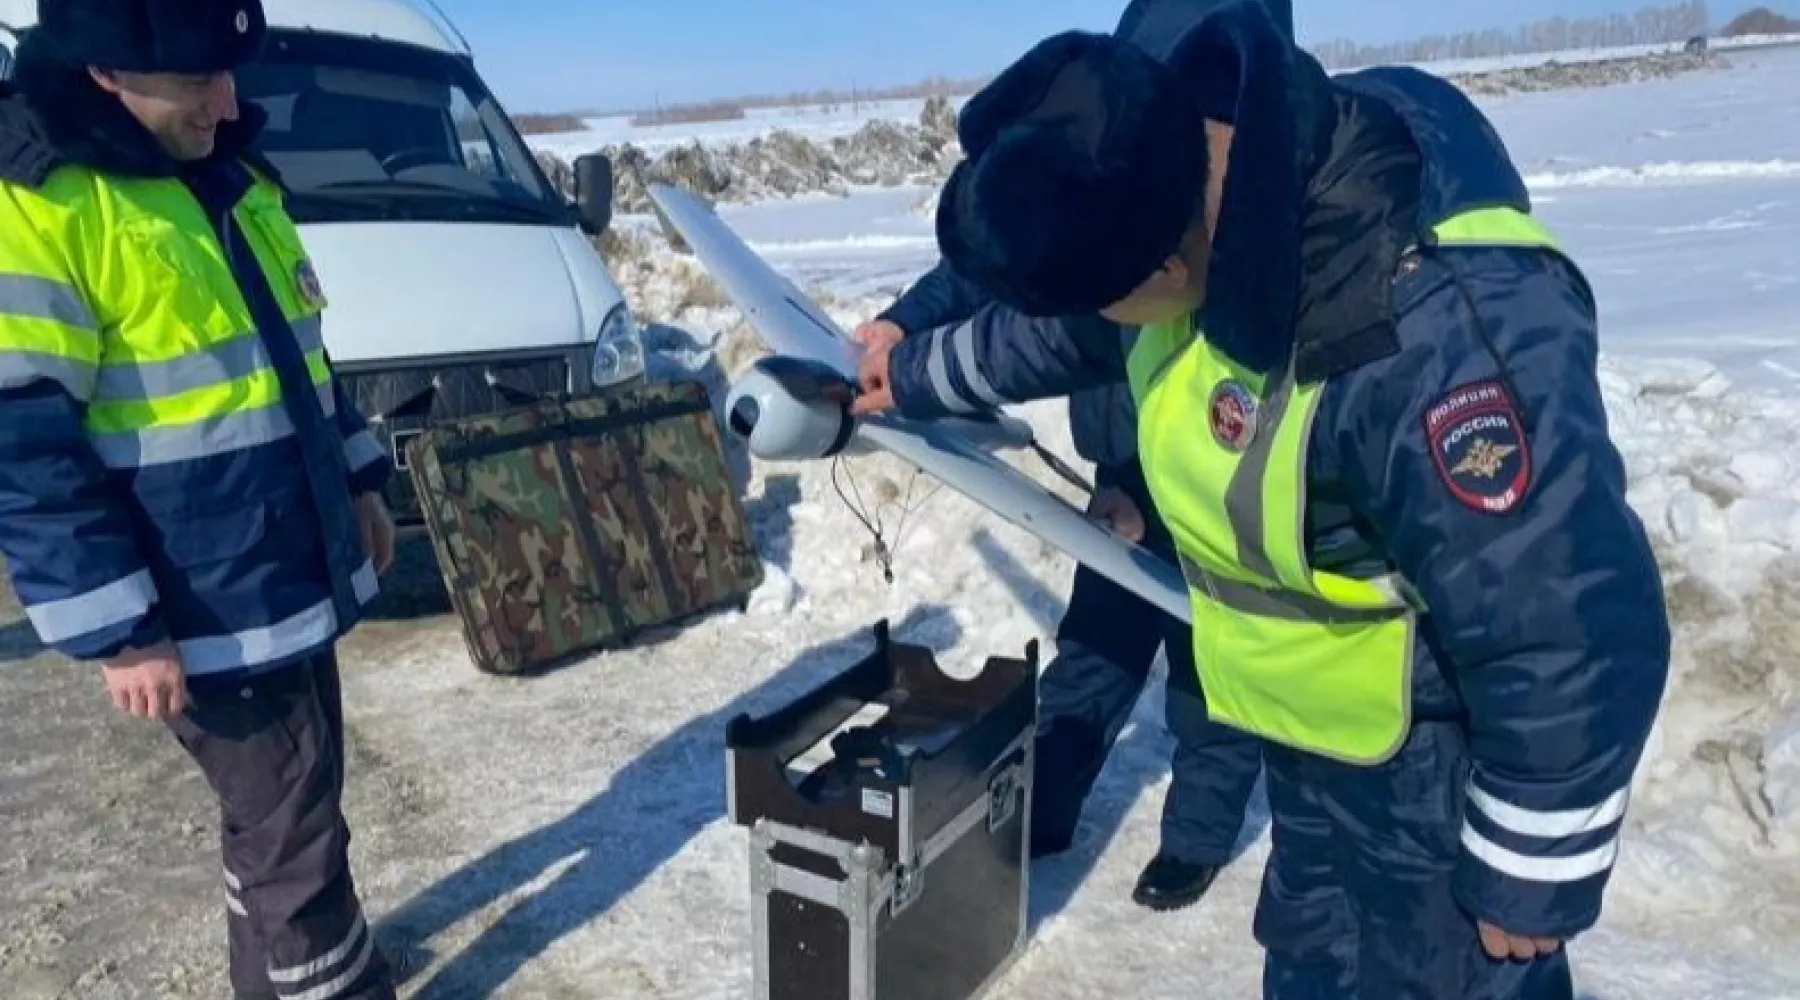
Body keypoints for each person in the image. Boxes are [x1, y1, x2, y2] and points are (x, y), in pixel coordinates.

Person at [851, 2, 1671, 996]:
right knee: (1312, 961)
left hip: (1436, 761)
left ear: (1164, 264)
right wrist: (916, 374)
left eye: (1111, 296)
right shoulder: (1185, 181)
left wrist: (1529, 872)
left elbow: (1569, 618)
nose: (1104, 329)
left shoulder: (1428, 339)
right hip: (1317, 734)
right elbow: (1064, 336)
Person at [0, 2, 401, 998]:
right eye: (197, 82)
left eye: (230, 73)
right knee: (298, 850)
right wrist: (119, 629)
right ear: (104, 74)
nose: (228, 103)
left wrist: (357, 480)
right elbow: (22, 444)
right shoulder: (45, 207)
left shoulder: (225, 171)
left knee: (282, 822)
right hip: (200, 601)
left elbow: (304, 359)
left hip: (284, 574)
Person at [853, 0, 1288, 914]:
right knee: (1098, 636)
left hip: (1222, 472)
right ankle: (1039, 807)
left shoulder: (1239, 190)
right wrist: (907, 323)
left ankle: (1197, 839)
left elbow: (1052, 336)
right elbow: (1009, 249)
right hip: (1126, 460)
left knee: (1212, 665)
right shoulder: (1095, 143)